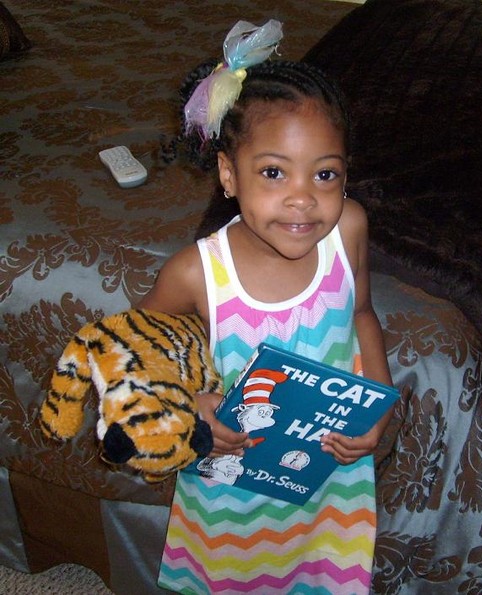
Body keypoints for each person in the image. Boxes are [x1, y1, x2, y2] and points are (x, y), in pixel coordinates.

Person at [141, 19, 394, 595]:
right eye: (274, 172)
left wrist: (379, 401)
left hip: (328, 477)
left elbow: (361, 312)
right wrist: (189, 406)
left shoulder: (348, 229)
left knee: (323, 576)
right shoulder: (194, 273)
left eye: (325, 174)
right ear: (229, 175)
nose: (303, 198)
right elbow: (139, 354)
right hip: (231, 489)